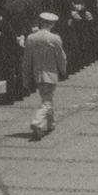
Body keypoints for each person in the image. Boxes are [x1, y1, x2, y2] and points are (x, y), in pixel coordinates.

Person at [22, 11, 68, 139]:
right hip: (51, 74)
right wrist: (63, 70)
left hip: (37, 74)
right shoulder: (55, 38)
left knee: (47, 98)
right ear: (52, 24)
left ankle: (50, 123)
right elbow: (61, 57)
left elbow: (26, 61)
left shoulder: (31, 38)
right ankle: (37, 122)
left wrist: (25, 78)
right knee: (47, 101)